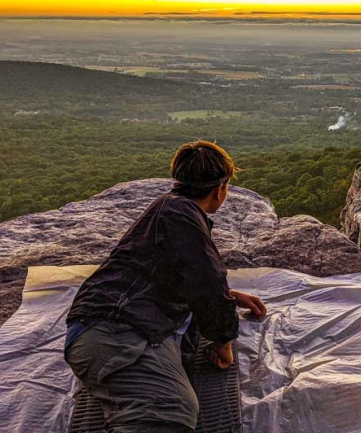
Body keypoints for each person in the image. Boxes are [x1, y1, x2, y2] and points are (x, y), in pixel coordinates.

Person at [63, 140, 266, 433]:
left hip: (109, 325)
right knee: (171, 410)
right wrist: (223, 342)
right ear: (220, 190)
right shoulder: (182, 218)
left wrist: (229, 297)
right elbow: (207, 282)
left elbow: (164, 272)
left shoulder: (169, 210)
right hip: (114, 331)